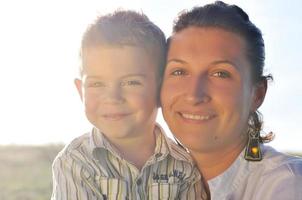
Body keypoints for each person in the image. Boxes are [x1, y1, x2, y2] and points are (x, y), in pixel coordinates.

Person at [51, 10, 208, 200]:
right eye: (96, 84)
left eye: (131, 82)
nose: (113, 97)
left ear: (162, 90)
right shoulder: (74, 162)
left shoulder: (185, 167)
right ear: (80, 90)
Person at [160, 1, 302, 200]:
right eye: (179, 71)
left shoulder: (286, 185)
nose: (194, 94)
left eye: (220, 74)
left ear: (257, 94)